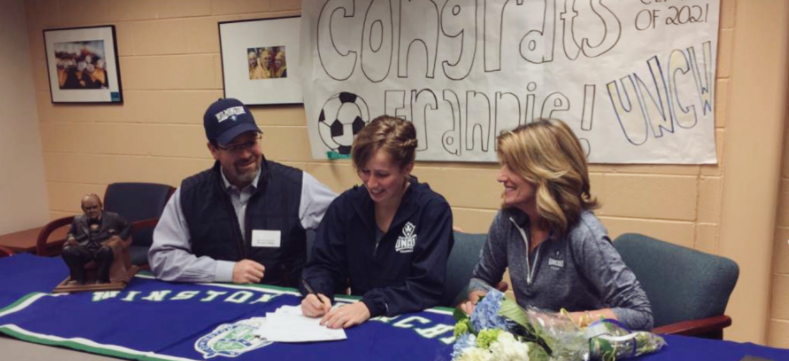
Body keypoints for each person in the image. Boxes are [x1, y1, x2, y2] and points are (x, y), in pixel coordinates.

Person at [459, 119, 653, 331]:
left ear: (543, 171)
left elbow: (640, 314)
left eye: (512, 166)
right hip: (531, 347)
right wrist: (484, 306)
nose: (500, 176)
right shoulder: (508, 220)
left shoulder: (584, 234)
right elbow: (481, 279)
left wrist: (551, 321)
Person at [149, 98, 336, 287]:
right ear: (213, 150)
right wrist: (224, 271)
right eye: (233, 147)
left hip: (282, 304)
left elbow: (344, 222)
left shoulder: (296, 185)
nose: (246, 154)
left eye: (251, 142)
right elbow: (162, 258)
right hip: (217, 301)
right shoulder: (190, 194)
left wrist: (320, 280)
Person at [300, 115, 454, 329]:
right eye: (364, 171)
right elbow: (323, 265)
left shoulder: (432, 210)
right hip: (357, 321)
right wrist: (316, 293)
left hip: (410, 322)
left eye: (382, 174)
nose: (371, 184)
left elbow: (426, 287)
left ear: (407, 168)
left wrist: (372, 304)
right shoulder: (346, 206)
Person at [62, 194, 132, 284]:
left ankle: (101, 279)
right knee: (67, 250)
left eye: (95, 207)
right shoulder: (77, 219)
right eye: (88, 208)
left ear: (101, 205)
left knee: (106, 250)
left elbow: (128, 226)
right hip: (84, 249)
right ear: (82, 208)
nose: (92, 210)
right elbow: (70, 233)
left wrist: (121, 237)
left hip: (103, 248)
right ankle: (79, 277)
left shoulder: (113, 217)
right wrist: (71, 237)